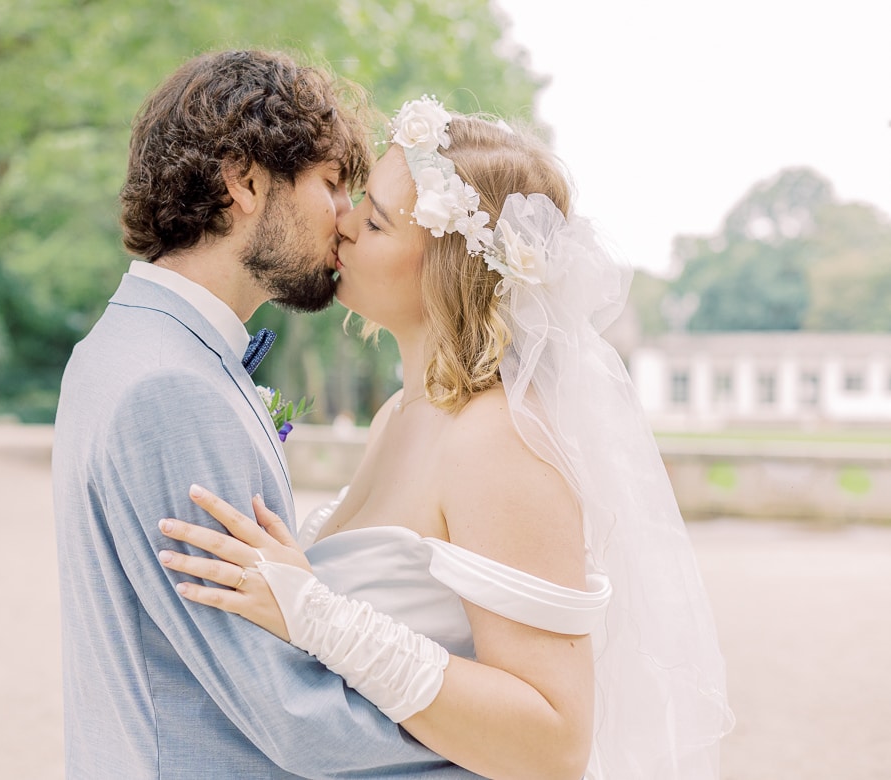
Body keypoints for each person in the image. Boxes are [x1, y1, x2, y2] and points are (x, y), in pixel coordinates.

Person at [156, 97, 736, 779]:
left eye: (373, 220)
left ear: (446, 267)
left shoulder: (498, 442)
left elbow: (554, 743)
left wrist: (313, 613)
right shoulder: (400, 414)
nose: (340, 224)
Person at [52, 54, 481, 778]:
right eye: (331, 183)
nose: (346, 217)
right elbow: (294, 717)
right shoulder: (172, 389)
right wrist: (502, 746)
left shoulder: (119, 346)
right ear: (244, 181)